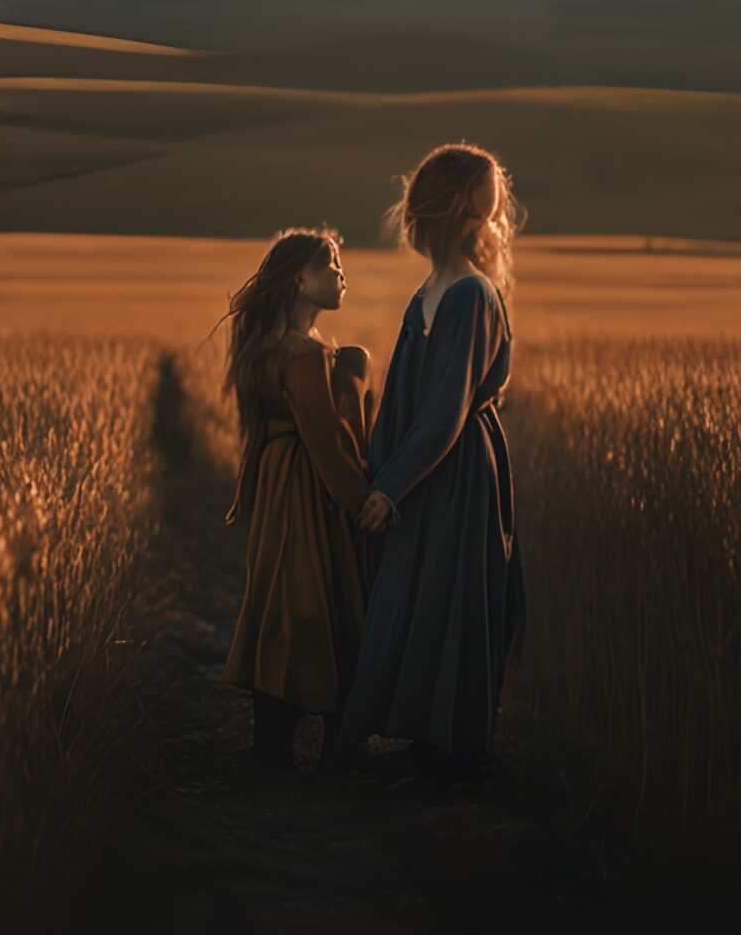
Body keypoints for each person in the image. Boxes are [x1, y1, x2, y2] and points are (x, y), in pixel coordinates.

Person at [333, 143, 527, 775]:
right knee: (421, 593)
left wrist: (389, 487)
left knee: (446, 592)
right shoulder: (434, 289)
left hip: (456, 475)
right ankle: (423, 738)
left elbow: (446, 412)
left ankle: (446, 752)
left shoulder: (469, 295)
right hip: (428, 471)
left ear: (435, 213)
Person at [220, 227, 379, 768]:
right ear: (300, 280)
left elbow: (257, 433)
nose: (341, 275)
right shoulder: (305, 354)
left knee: (280, 602)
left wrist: (248, 492)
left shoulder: (264, 348)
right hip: (310, 493)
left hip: (277, 486)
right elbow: (326, 445)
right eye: (331, 265)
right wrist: (365, 504)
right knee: (325, 601)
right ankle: (336, 750)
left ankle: (271, 746)